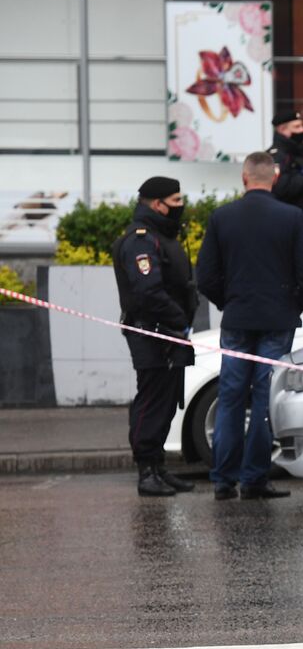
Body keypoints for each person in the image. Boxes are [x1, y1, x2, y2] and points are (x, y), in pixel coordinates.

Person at [197, 151, 303, 500]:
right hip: (277, 322)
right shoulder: (292, 217)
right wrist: (294, 304)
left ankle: (223, 479)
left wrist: (228, 301)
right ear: (275, 178)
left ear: (244, 177)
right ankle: (254, 478)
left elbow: (205, 275)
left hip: (237, 320)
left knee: (231, 397)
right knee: (266, 398)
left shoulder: (222, 217)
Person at [112, 176, 198, 497]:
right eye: (176, 201)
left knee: (166, 399)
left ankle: (158, 467)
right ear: (158, 204)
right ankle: (146, 470)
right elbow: (148, 292)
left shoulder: (162, 237)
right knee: (152, 399)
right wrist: (177, 319)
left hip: (169, 333)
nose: (181, 206)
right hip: (153, 332)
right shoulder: (141, 240)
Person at [268, 110, 303, 236]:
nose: (302, 130)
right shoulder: (277, 157)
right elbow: (280, 189)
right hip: (286, 226)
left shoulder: (301, 154)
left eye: (302, 126)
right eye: (297, 127)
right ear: (282, 129)